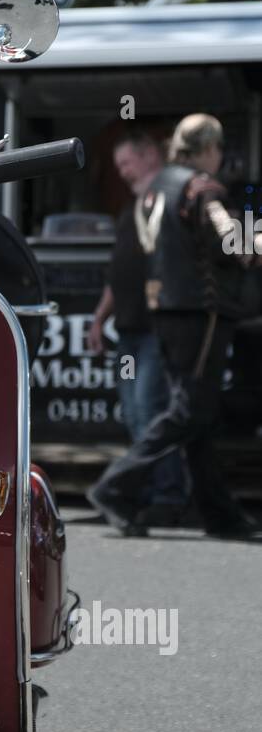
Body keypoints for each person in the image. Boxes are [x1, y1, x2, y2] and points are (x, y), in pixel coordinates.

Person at [88, 114, 260, 540]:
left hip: (164, 314)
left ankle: (222, 516)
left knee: (196, 416)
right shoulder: (202, 187)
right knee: (189, 411)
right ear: (210, 148)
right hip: (201, 314)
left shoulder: (155, 189)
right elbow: (235, 244)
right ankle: (115, 486)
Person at [88, 129, 187, 526]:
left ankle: (169, 495)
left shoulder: (171, 199)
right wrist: (99, 318)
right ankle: (146, 494)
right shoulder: (134, 208)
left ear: (148, 155)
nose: (122, 171)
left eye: (127, 162)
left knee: (151, 411)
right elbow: (119, 274)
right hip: (129, 329)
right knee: (134, 414)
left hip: (156, 328)